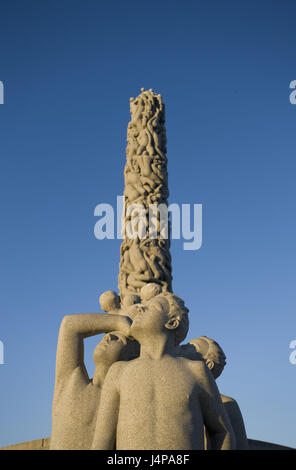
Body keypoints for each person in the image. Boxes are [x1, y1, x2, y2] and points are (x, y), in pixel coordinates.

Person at [91, 293, 236, 450]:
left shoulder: (195, 371)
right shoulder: (118, 372)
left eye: (152, 307)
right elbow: (102, 442)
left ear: (172, 322)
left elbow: (221, 432)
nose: (140, 308)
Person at [50, 311, 132, 450]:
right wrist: (119, 322)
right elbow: (69, 325)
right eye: (105, 336)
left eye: (118, 339)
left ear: (132, 356)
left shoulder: (127, 403)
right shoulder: (70, 381)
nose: (108, 337)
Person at [180, 336, 249, 450]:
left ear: (208, 365)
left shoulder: (227, 404)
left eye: (194, 347)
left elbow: (240, 445)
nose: (184, 346)